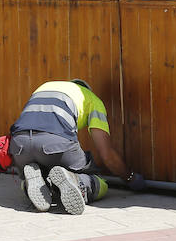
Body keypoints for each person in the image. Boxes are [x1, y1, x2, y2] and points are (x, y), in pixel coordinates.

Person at [8, 79, 144, 214]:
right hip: (55, 143)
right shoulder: (91, 99)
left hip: (19, 145)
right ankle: (78, 182)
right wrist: (131, 178)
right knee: (97, 180)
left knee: (37, 171)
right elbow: (107, 155)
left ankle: (30, 183)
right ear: (86, 89)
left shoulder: (44, 87)